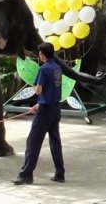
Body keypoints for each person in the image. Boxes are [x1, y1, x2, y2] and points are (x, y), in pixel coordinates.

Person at [12, 42, 65, 185]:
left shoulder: (43, 69)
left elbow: (39, 90)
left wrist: (36, 92)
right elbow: (52, 91)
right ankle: (60, 173)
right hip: (55, 108)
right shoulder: (57, 68)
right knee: (55, 141)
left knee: (33, 142)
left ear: (42, 54)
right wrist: (38, 104)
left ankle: (26, 175)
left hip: (45, 111)